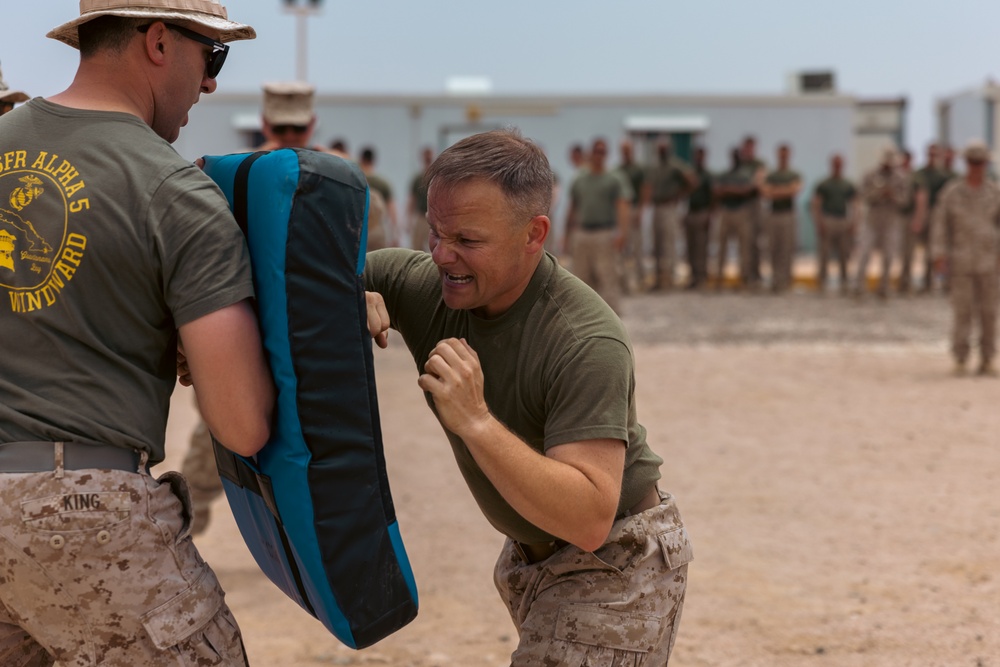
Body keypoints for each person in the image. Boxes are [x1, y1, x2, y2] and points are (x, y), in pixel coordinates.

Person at [0, 1, 275, 665]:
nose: (210, 83)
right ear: (157, 41)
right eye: (212, 56)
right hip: (82, 511)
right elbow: (241, 425)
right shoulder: (172, 188)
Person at [363, 128, 691, 665]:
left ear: (534, 234)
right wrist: (343, 303)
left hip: (613, 564)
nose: (443, 256)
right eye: (434, 233)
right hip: (530, 560)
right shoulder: (426, 285)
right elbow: (297, 280)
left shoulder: (585, 340)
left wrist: (476, 421)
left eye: (468, 241)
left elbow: (588, 516)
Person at [930, 140, 1000, 376]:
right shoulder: (952, 193)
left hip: (990, 261)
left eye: (980, 163)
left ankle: (987, 358)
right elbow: (940, 224)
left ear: (985, 164)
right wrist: (939, 254)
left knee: (989, 312)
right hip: (961, 260)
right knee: (962, 311)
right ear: (966, 163)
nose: (976, 167)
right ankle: (960, 358)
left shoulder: (995, 192)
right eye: (972, 162)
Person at [566, 137, 631, 313]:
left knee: (608, 278)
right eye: (596, 151)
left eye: (603, 152)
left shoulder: (614, 179)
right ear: (590, 153)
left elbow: (622, 206)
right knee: (580, 278)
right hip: (583, 233)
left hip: (605, 233)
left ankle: (612, 319)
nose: (599, 155)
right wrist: (567, 234)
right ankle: (583, 317)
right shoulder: (580, 178)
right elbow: (573, 206)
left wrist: (622, 233)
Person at [854, 147, 909, 298]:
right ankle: (858, 286)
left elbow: (905, 201)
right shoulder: (870, 175)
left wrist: (893, 195)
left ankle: (883, 287)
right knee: (865, 253)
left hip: (891, 219)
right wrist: (878, 193)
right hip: (872, 218)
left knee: (889, 255)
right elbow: (863, 195)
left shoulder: (901, 177)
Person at [643, 140, 696, 291]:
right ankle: (659, 278)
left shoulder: (675, 165)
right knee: (657, 243)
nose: (662, 152)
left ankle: (671, 277)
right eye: (660, 149)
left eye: (664, 149)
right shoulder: (655, 167)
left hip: (669, 207)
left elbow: (691, 181)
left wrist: (679, 195)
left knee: (669, 243)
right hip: (656, 206)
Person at [811, 154, 859, 294]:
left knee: (844, 253)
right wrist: (819, 222)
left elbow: (855, 204)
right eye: (835, 163)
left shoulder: (847, 184)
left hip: (843, 220)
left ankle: (844, 281)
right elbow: (816, 204)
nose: (837, 166)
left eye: (840, 163)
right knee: (824, 253)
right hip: (828, 219)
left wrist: (854, 222)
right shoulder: (824, 184)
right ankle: (822, 281)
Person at [911, 143, 955, 294]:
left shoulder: (944, 175)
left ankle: (945, 282)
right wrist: (919, 218)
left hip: (940, 213)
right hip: (926, 213)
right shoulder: (921, 173)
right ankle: (927, 282)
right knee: (926, 250)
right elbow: (920, 194)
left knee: (941, 250)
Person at [714, 147, 758, 289]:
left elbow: (748, 190)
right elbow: (717, 190)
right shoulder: (725, 174)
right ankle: (719, 277)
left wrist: (729, 190)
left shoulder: (745, 174)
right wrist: (734, 190)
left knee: (744, 247)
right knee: (721, 246)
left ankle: (744, 279)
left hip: (741, 212)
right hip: (726, 211)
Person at [761, 143, 802, 293]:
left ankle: (785, 281)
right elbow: (765, 192)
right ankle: (775, 280)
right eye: (781, 154)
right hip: (773, 214)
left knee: (787, 248)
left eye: (785, 154)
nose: (783, 157)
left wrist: (775, 191)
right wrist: (784, 190)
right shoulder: (772, 175)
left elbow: (795, 190)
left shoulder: (794, 174)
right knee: (773, 248)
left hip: (788, 214)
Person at [615, 139, 647, 292]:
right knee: (622, 248)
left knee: (637, 247)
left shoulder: (638, 170)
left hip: (633, 209)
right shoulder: (618, 170)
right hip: (622, 211)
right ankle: (624, 282)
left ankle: (640, 280)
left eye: (627, 150)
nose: (625, 153)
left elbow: (644, 190)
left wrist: (641, 210)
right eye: (623, 150)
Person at [683, 145, 714, 289]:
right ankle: (693, 276)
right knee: (691, 247)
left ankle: (702, 277)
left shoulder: (707, 175)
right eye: (697, 155)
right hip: (691, 212)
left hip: (702, 212)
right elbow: (684, 193)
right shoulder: (691, 175)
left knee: (702, 247)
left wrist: (710, 215)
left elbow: (713, 196)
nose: (699, 158)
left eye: (701, 155)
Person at [740, 135, 768, 287]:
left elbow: (759, 183)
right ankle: (746, 273)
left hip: (755, 204)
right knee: (745, 241)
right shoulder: (740, 164)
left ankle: (756, 273)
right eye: (746, 147)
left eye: (751, 147)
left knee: (757, 241)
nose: (749, 150)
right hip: (742, 206)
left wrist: (746, 187)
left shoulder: (758, 164)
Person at [359, 145, 398, 246]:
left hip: (360, 229)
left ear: (361, 159)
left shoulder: (357, 180)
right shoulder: (383, 183)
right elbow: (392, 211)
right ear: (373, 160)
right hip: (378, 230)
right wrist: (395, 234)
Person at [406, 145, 434, 251]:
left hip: (434, 216)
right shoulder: (418, 178)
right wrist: (408, 220)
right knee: (416, 246)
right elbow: (412, 200)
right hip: (421, 216)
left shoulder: (437, 176)